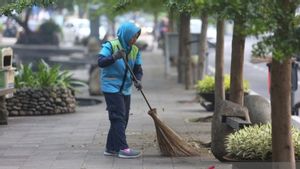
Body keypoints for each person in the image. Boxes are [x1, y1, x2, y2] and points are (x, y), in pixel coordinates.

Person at [97, 21, 143, 159]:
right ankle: (123, 148)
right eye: (132, 37)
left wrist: (138, 79)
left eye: (136, 37)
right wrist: (114, 56)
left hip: (125, 88)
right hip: (111, 86)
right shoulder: (111, 45)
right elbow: (100, 62)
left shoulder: (135, 50)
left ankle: (111, 148)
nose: (134, 40)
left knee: (123, 118)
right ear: (126, 34)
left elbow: (138, 69)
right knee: (118, 117)